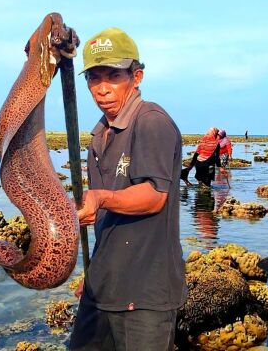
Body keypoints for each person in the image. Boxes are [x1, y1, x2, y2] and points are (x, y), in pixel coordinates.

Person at [69, 27, 186, 350]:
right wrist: (96, 273)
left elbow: (154, 196)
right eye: (94, 77)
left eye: (113, 76)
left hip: (145, 295)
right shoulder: (99, 135)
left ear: (137, 76)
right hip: (102, 289)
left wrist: (100, 197)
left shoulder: (150, 122)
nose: (102, 88)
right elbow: (107, 220)